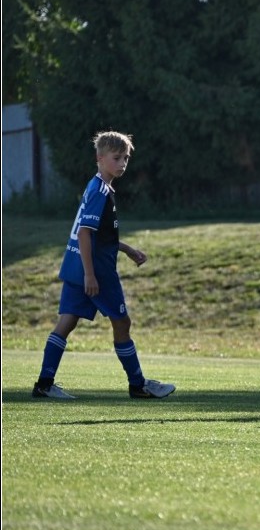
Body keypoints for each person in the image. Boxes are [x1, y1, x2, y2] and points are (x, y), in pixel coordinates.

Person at [32, 131, 175, 400]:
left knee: (66, 322)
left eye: (126, 158)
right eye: (117, 158)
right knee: (122, 322)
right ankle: (138, 385)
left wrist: (128, 249)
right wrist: (90, 274)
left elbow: (98, 234)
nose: (122, 163)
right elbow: (85, 233)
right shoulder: (100, 190)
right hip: (96, 270)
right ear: (100, 158)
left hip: (76, 264)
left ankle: (44, 384)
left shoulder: (97, 186)